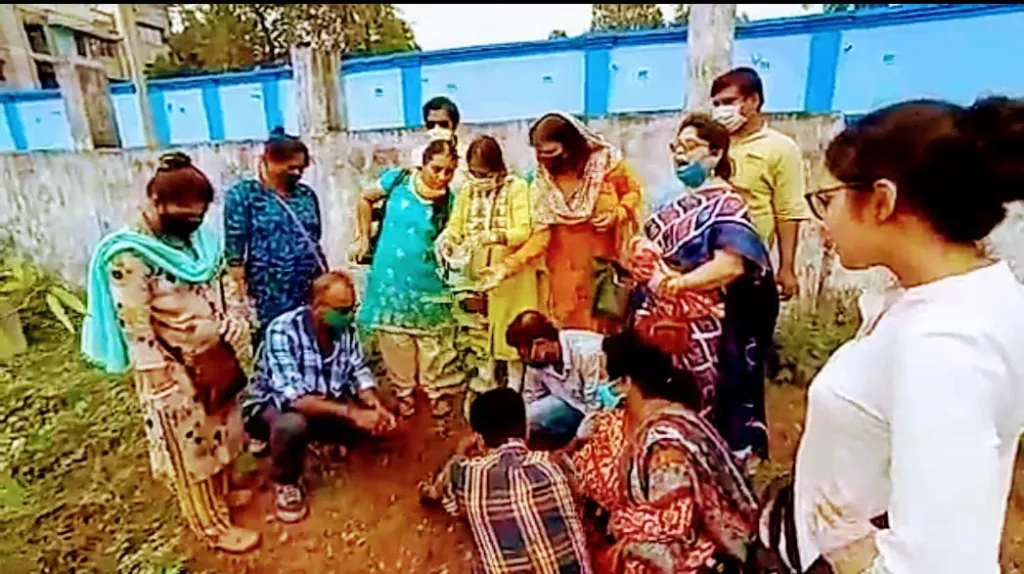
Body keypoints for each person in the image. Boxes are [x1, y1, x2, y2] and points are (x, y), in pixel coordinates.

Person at [784, 97, 1024, 574]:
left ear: (881, 200)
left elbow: (941, 563)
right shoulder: (951, 297)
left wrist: (851, 558)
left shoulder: (947, 343)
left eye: (827, 200)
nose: (821, 221)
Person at [81, 152, 260, 553]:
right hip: (171, 367)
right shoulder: (129, 255)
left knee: (221, 433)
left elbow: (223, 282)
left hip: (213, 357)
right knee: (191, 451)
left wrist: (233, 315)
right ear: (157, 203)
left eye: (200, 214)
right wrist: (160, 381)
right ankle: (211, 526)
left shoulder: (200, 240)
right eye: (185, 214)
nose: (194, 221)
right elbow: (135, 326)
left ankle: (222, 496)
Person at [624, 113, 779, 465]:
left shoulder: (728, 204)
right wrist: (642, 255)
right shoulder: (672, 201)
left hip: (704, 328)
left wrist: (676, 284)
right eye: (676, 147)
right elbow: (648, 242)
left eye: (690, 147)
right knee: (660, 395)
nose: (680, 155)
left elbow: (731, 265)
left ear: (715, 153)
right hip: (660, 321)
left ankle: (711, 469)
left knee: (704, 398)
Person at [573, 331, 758, 573]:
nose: (601, 385)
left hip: (708, 549)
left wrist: (622, 522)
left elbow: (677, 523)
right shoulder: (625, 422)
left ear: (626, 382)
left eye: (606, 378)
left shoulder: (666, 446)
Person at [241, 270, 396, 524]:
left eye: (352, 308)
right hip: (275, 405)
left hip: (322, 398)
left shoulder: (345, 331)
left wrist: (373, 404)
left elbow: (358, 371)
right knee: (292, 425)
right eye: (342, 310)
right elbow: (295, 399)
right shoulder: (282, 330)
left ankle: (322, 437)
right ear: (317, 308)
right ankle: (285, 482)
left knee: (381, 408)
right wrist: (353, 413)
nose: (349, 316)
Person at [352, 138, 463, 434]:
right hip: (390, 278)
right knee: (394, 339)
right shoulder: (397, 181)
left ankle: (436, 392)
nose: (442, 177)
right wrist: (362, 238)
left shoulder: (449, 202)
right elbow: (364, 199)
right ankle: (404, 393)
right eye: (436, 169)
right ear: (422, 164)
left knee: (432, 342)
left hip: (428, 280)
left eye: (449, 171)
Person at [419, 387, 592, 574]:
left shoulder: (463, 476)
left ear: (479, 440)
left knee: (472, 537)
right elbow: (578, 501)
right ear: (527, 429)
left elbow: (450, 492)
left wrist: (460, 451)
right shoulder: (558, 465)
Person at [436, 135, 546, 392]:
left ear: (497, 168)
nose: (479, 179)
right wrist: (447, 239)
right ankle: (488, 391)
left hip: (512, 278)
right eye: (474, 173)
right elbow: (456, 226)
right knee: (481, 340)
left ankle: (516, 394)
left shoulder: (517, 188)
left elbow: (524, 231)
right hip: (478, 276)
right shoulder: (467, 190)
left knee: (514, 342)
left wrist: (493, 236)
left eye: (483, 174)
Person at [527, 111, 643, 334]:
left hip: (602, 267)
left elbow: (633, 192)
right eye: (540, 153)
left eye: (551, 152)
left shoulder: (606, 164)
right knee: (567, 332)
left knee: (602, 330)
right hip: (561, 272)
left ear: (570, 147)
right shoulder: (543, 180)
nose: (544, 159)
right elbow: (540, 230)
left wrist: (618, 213)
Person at [710, 67, 809, 300]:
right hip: (703, 262)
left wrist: (786, 268)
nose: (721, 111)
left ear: (753, 100)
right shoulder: (710, 145)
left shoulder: (780, 148)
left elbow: (788, 211)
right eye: (716, 104)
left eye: (729, 102)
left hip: (748, 262)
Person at [224, 128, 324, 345]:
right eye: (290, 167)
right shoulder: (244, 196)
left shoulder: (306, 195)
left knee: (310, 338)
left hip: (308, 285)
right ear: (267, 162)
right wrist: (241, 292)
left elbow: (315, 236)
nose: (296, 173)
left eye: (301, 168)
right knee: (275, 340)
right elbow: (235, 248)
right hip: (268, 289)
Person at [505, 310, 610, 447]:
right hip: (572, 407)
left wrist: (575, 443)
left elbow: (597, 406)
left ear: (540, 342)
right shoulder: (535, 360)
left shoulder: (588, 352)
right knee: (530, 415)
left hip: (602, 410)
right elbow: (531, 397)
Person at [411, 96, 469, 189]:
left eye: (443, 124)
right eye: (431, 125)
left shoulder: (467, 155)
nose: (436, 129)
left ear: (454, 125)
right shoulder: (418, 155)